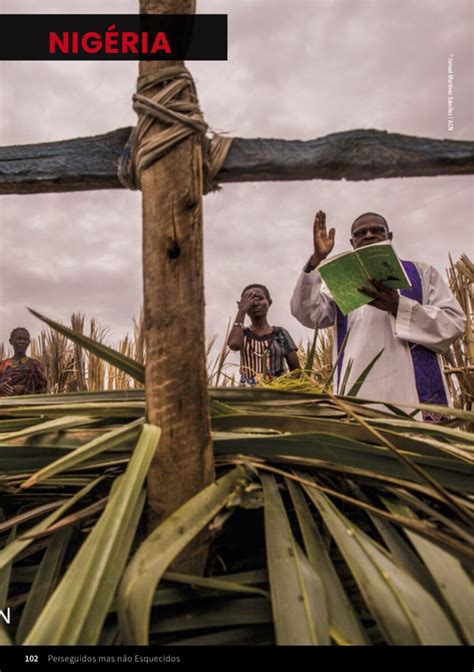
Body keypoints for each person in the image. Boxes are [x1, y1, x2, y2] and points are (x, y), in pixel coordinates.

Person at [290, 210, 465, 416]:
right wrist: (315, 262)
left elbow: (453, 324)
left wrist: (398, 306)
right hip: (359, 395)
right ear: (352, 242)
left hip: (414, 398)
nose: (369, 235)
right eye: (360, 233)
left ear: (389, 237)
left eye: (377, 230)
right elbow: (306, 313)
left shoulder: (422, 273)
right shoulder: (341, 283)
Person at [228, 284, 300, 386]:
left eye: (260, 298)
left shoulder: (280, 334)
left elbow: (296, 371)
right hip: (247, 396)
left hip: (277, 394)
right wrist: (242, 310)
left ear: (269, 303)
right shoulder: (242, 334)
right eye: (250, 301)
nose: (255, 303)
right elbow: (234, 344)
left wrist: (281, 387)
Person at [0, 327, 48, 396]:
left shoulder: (36, 364)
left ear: (29, 342)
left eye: (25, 339)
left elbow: (43, 389)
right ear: (11, 341)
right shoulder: (3, 365)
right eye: (19, 339)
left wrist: (24, 388)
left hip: (29, 405)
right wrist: (1, 387)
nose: (22, 342)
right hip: (5, 405)